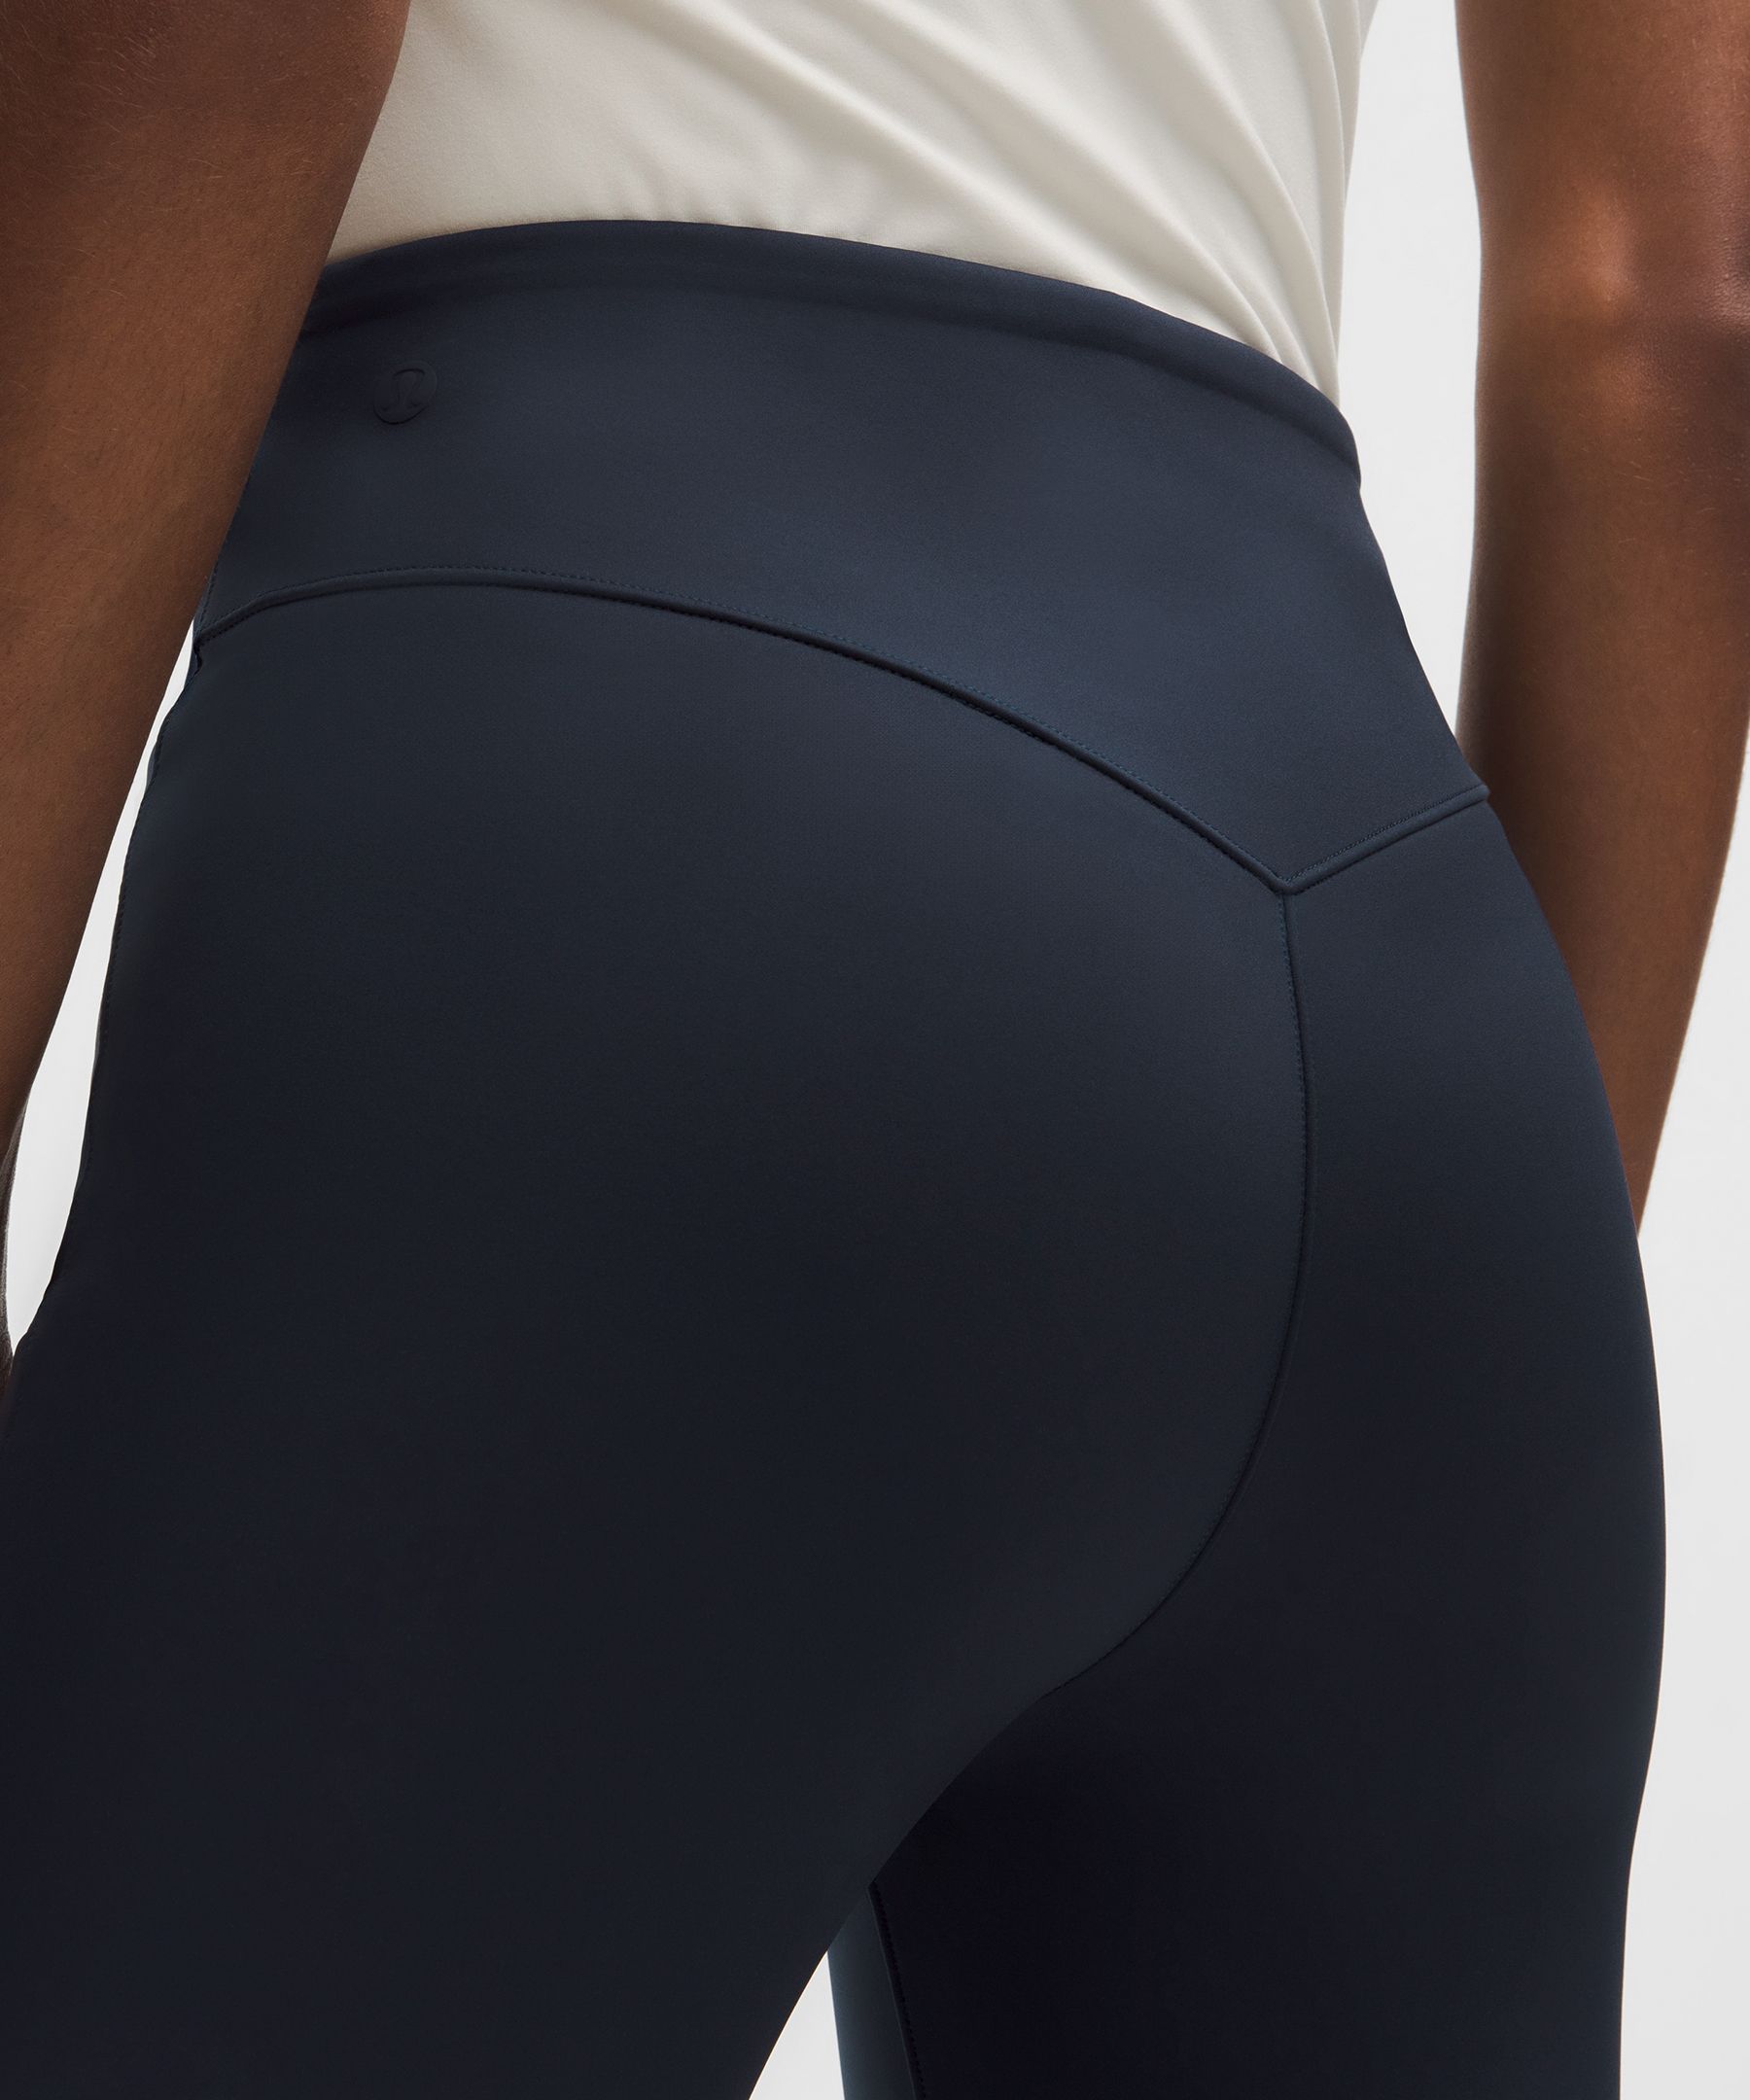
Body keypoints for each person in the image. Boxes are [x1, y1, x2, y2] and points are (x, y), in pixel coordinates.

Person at [0, 3, 1742, 2094]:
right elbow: (1675, 315)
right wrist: (1463, 1407)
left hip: (609, 802)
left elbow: (207, 40)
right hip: (1395, 990)